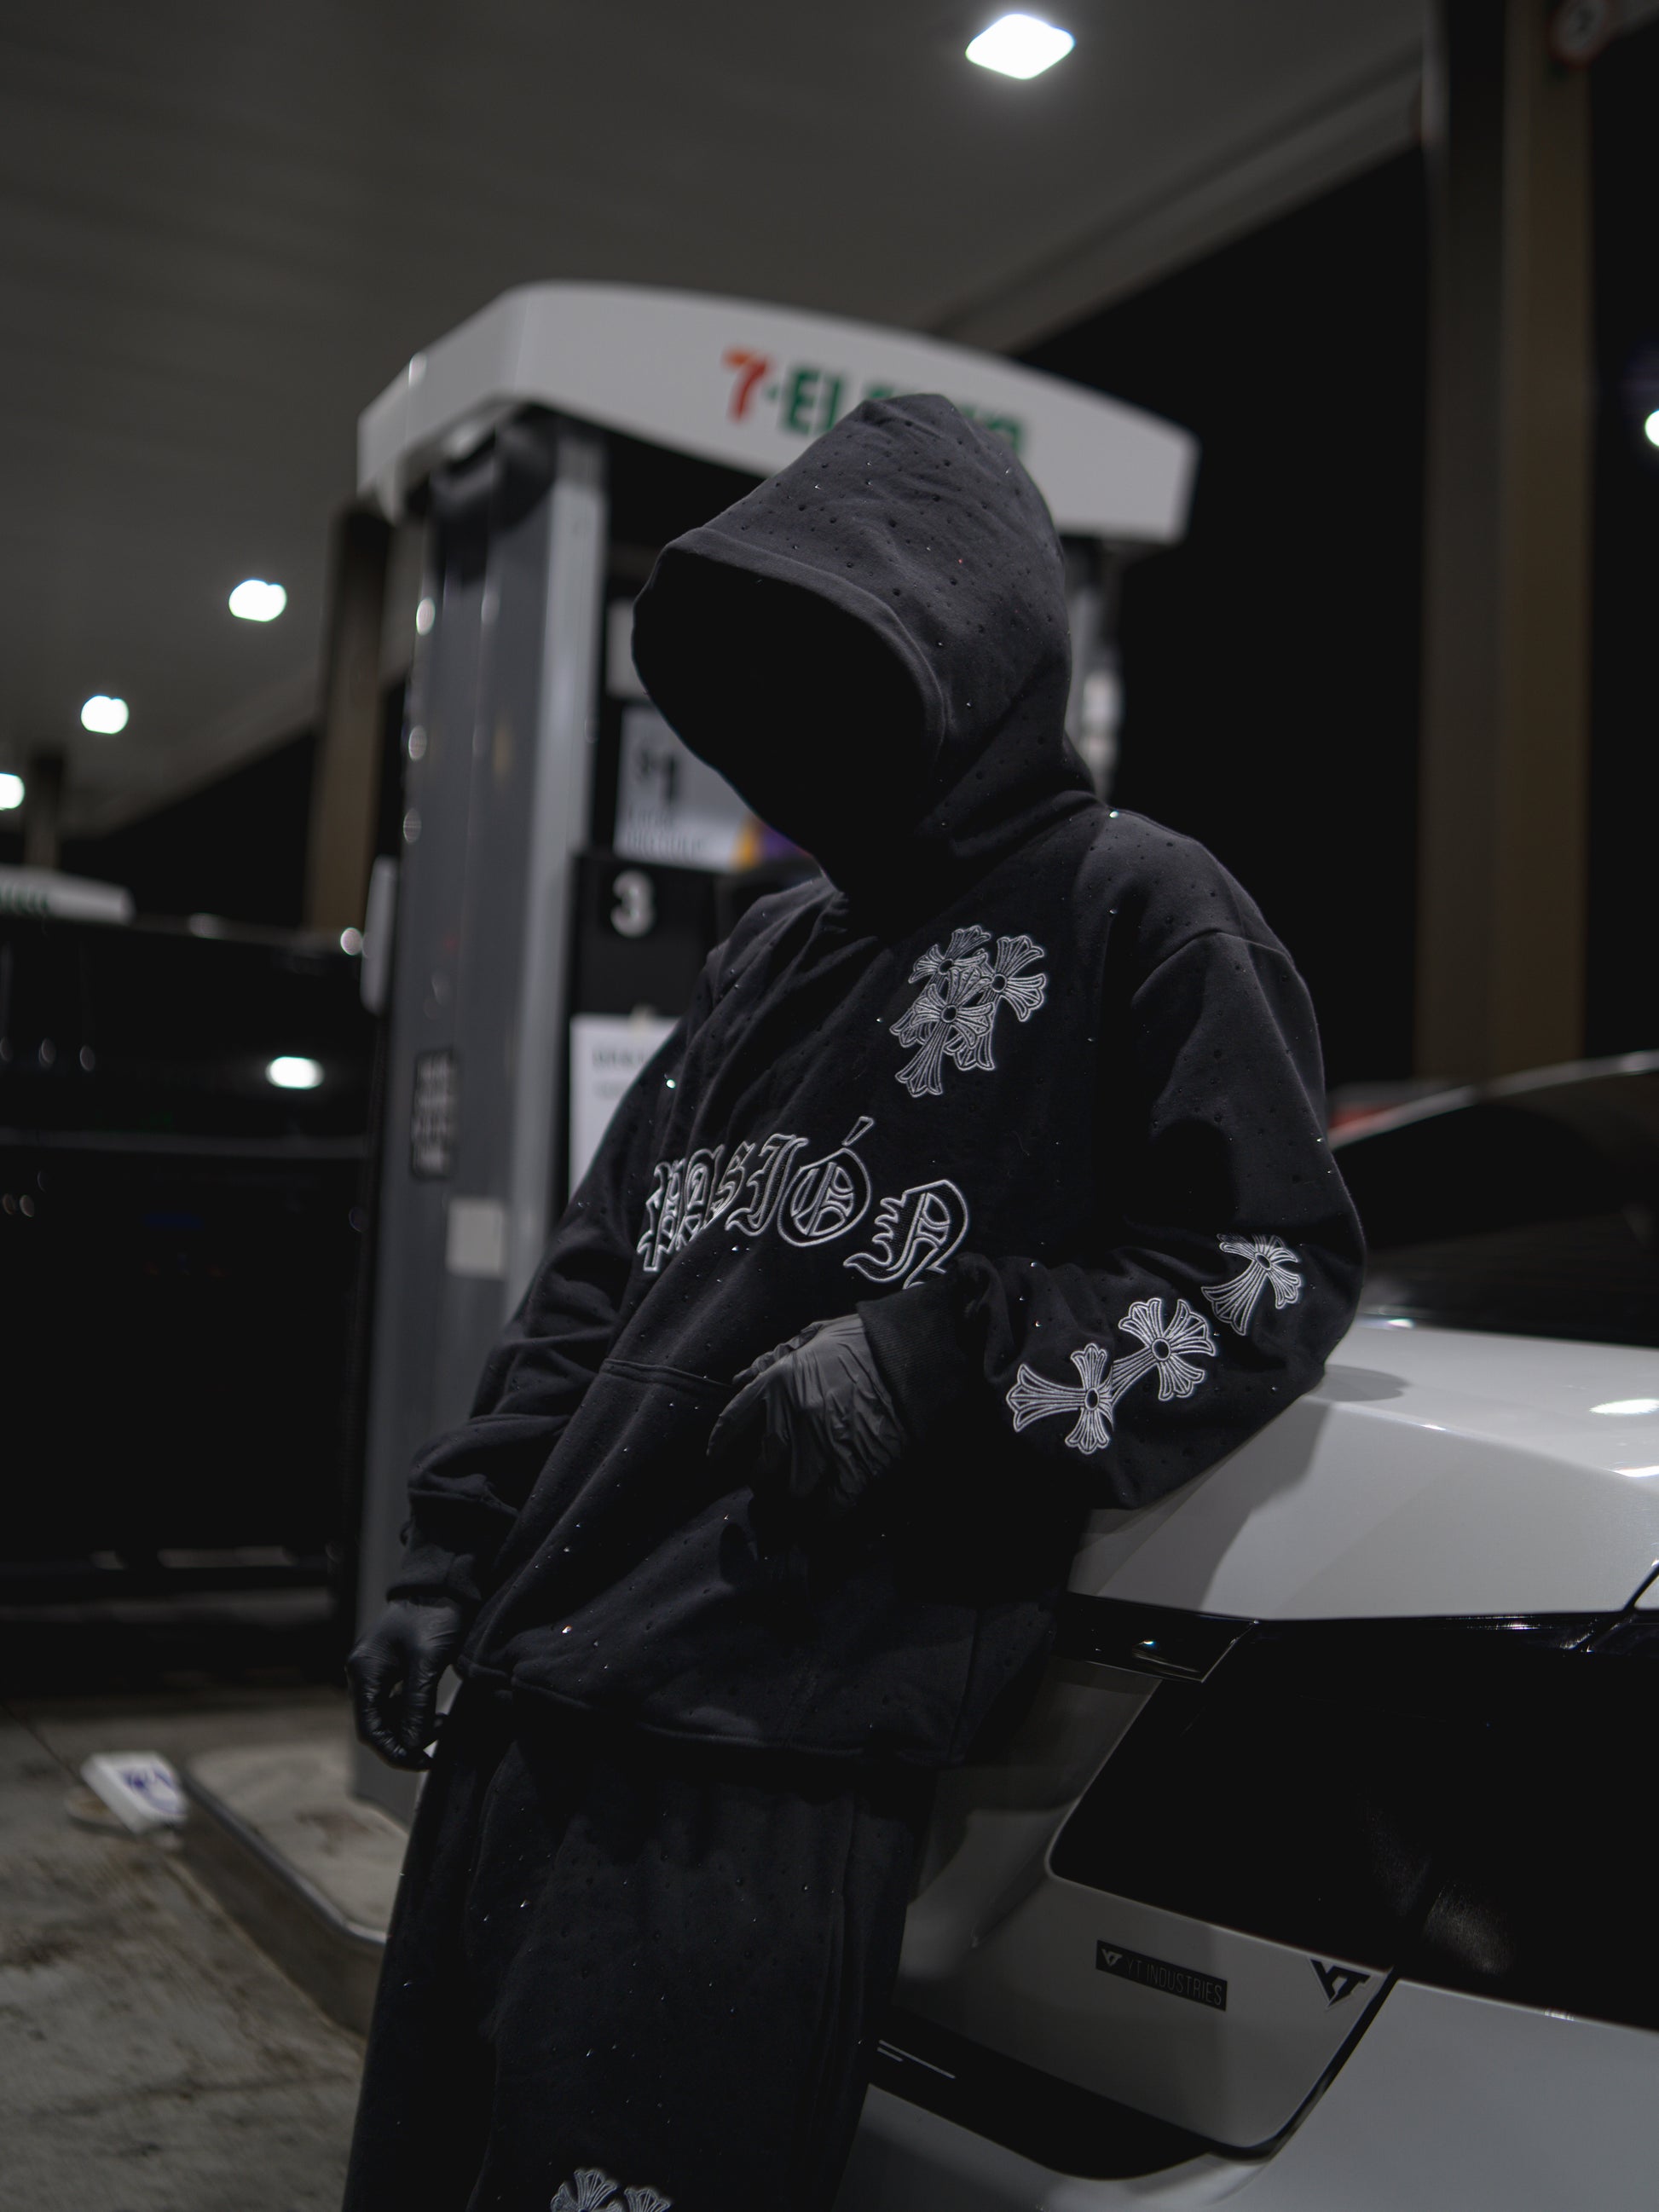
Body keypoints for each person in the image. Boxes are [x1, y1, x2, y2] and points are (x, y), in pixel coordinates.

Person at [344, 394, 1364, 2212]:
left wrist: (936, 1358)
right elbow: (606, 1271)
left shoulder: (1138, 908)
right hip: (535, 1684)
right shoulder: (769, 947)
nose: (781, 725)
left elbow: (1262, 1267)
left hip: (771, 1742)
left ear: (972, 661)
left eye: (841, 664)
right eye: (756, 672)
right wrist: (450, 1553)